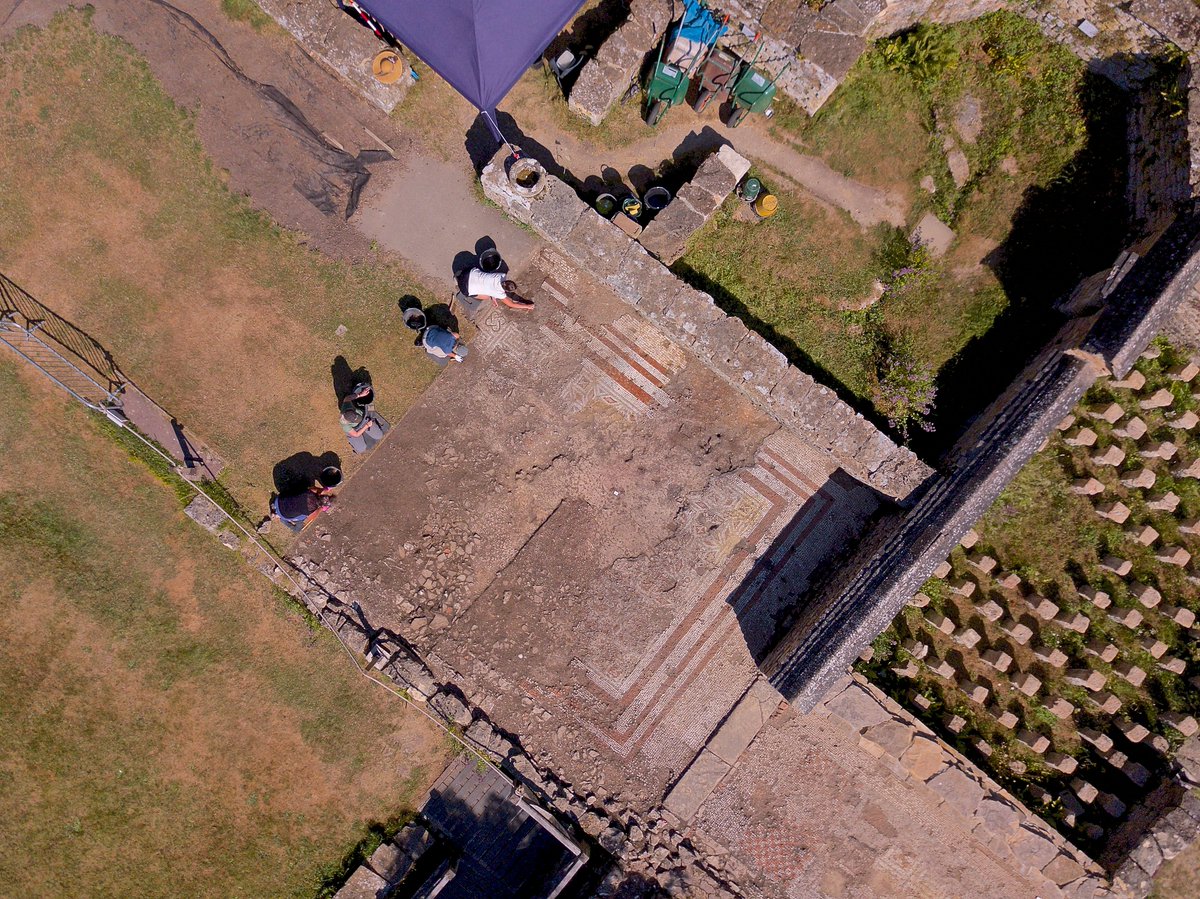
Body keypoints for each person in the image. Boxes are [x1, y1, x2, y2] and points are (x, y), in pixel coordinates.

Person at [339, 381, 390, 454]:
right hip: (356, 428)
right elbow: (356, 434)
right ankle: (352, 440)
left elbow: (347, 398)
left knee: (379, 435)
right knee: (361, 449)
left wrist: (360, 394)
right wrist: (366, 426)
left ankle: (373, 419)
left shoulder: (346, 405)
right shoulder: (344, 424)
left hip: (364, 418)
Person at [455, 267, 535, 312]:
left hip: (468, 272)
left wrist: (494, 296)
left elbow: (492, 286)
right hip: (465, 288)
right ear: (506, 291)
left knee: (485, 278)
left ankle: (459, 276)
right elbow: (511, 304)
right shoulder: (499, 294)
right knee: (486, 297)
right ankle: (458, 281)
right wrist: (527, 306)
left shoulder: (502, 275)